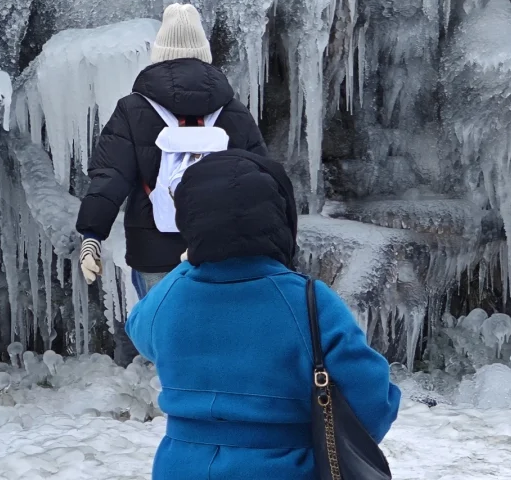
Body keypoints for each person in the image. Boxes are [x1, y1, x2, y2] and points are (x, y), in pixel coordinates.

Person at [126, 150, 401, 479]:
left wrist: (188, 263)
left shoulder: (170, 297)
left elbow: (138, 328)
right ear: (280, 219)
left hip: (181, 468)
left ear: (189, 219)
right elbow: (372, 406)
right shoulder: (308, 300)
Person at [76, 2, 266, 297]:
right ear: (204, 53)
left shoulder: (133, 109)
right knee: (214, 339)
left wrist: (91, 235)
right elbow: (261, 184)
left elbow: (110, 177)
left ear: (159, 53)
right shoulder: (234, 111)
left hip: (153, 251)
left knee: (159, 338)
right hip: (221, 250)